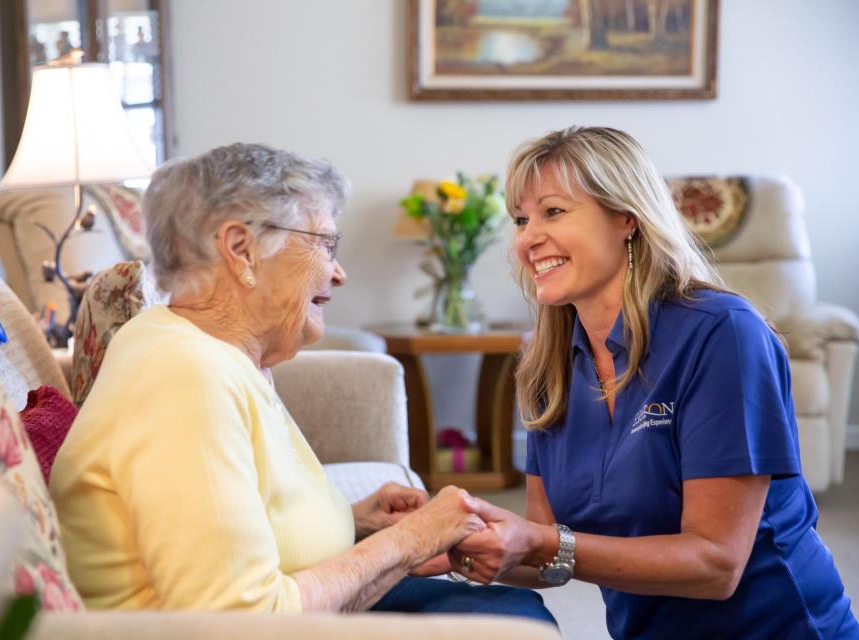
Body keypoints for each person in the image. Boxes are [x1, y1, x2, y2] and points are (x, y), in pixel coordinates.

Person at [49, 143, 555, 623]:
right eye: (325, 244)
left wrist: (355, 521)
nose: (339, 273)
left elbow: (230, 516)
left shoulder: (215, 352)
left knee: (518, 610)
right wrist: (409, 542)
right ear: (241, 250)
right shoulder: (185, 374)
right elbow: (237, 621)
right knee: (518, 621)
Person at [448, 127, 858, 639]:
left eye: (553, 212)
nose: (528, 238)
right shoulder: (544, 366)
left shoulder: (722, 334)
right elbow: (541, 550)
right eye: (521, 219)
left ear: (626, 218)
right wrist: (457, 543)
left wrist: (541, 544)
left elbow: (716, 564)